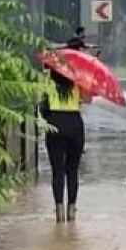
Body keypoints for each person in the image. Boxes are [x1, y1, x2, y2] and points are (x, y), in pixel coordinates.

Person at [40, 68, 85, 223]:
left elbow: (42, 105)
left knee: (57, 170)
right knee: (72, 170)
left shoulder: (48, 80)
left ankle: (59, 212)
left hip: (55, 123)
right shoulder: (78, 79)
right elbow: (83, 100)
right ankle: (71, 212)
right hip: (74, 124)